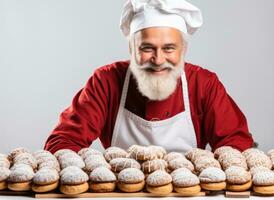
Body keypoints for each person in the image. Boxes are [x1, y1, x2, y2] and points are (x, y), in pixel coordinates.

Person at [44, 0, 254, 154]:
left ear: (183, 50)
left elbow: (236, 143)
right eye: (147, 48)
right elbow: (63, 142)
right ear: (131, 48)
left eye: (169, 48)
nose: (158, 59)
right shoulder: (105, 82)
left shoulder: (204, 84)